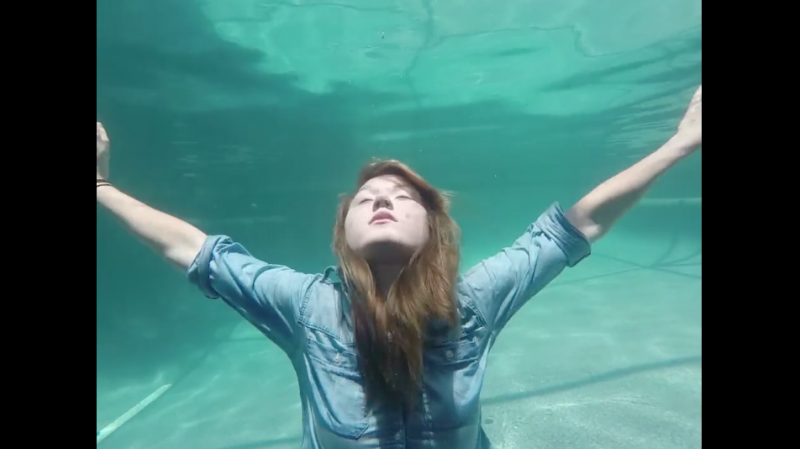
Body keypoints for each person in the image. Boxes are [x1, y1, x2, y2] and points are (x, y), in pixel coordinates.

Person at [96, 86, 701, 449]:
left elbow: (579, 225)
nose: (382, 198)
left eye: (402, 196)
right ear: (342, 234)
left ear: (434, 228)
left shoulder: (473, 303)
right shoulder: (305, 306)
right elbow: (197, 251)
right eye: (365, 198)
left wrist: (680, 143)